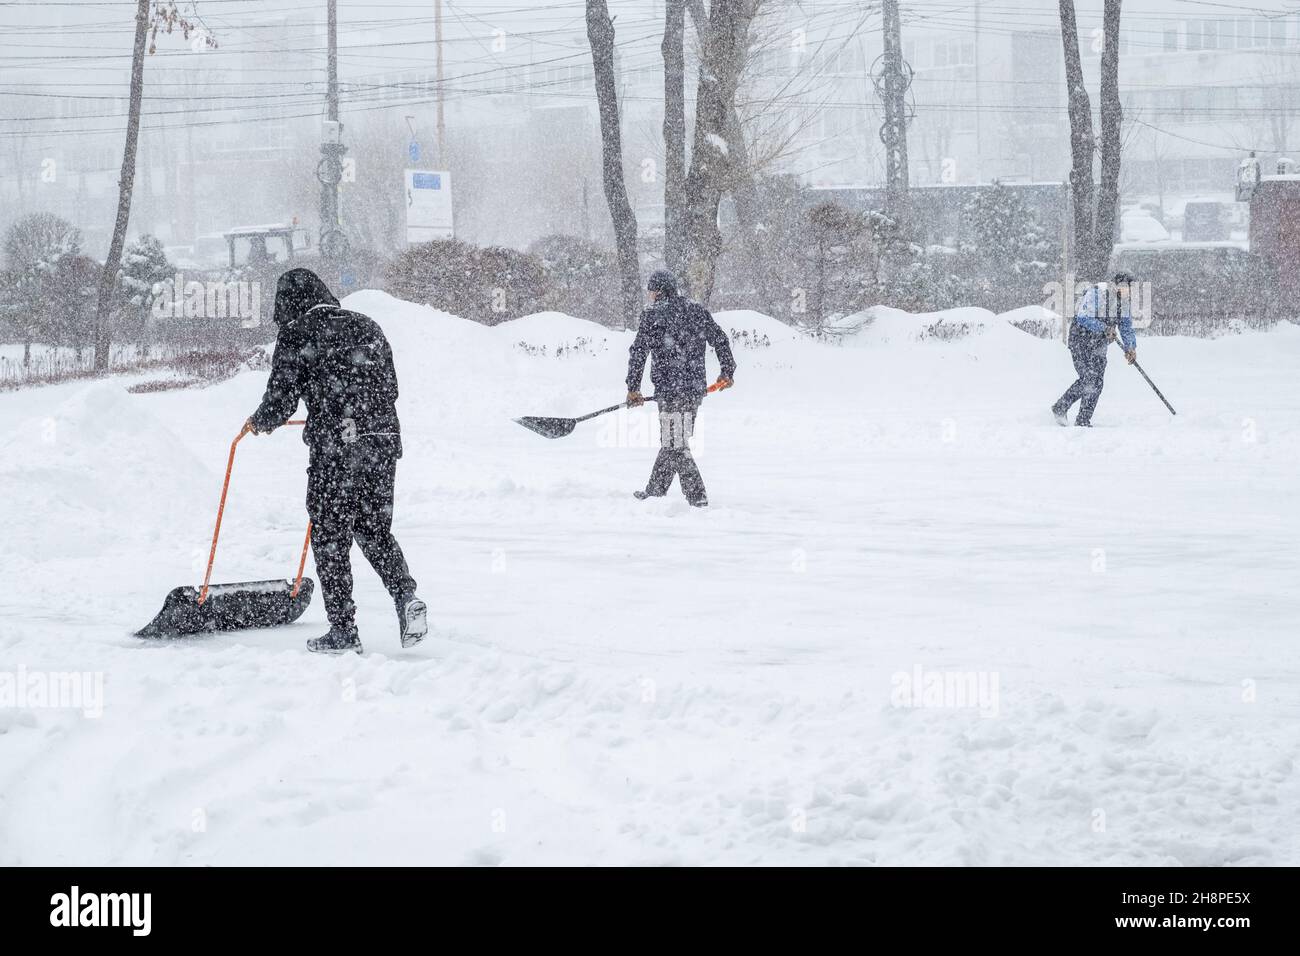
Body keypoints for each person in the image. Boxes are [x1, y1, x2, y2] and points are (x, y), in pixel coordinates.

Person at [245, 268, 426, 655]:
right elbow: (390, 387)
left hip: (337, 448)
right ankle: (406, 598)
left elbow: (280, 401)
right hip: (381, 441)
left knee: (330, 536)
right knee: (374, 530)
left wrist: (260, 422)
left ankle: (343, 631)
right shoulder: (368, 325)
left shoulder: (297, 334)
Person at [625, 268, 736, 506]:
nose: (650, 297)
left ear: (661, 291)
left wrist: (633, 388)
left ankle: (697, 498)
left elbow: (638, 353)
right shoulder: (696, 310)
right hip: (693, 390)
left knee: (676, 443)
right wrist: (727, 371)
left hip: (669, 391)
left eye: (652, 292)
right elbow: (720, 339)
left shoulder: (652, 316)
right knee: (674, 440)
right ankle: (655, 491)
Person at [1052, 271, 1138, 428]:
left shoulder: (1124, 303)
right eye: (1126, 289)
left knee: (1097, 381)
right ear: (1115, 286)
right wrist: (1104, 328)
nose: (1128, 293)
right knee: (1088, 378)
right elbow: (1083, 318)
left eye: (1130, 290)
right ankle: (1060, 407)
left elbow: (1126, 327)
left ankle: (1083, 419)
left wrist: (1130, 347)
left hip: (1099, 343)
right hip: (1080, 340)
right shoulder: (1097, 293)